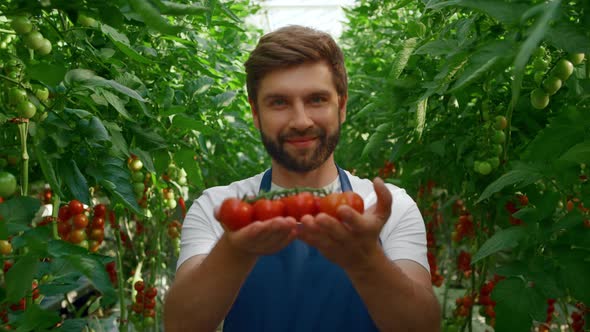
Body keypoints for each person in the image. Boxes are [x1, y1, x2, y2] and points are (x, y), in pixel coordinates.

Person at [164, 25, 441, 331]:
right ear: (256, 114)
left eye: (317, 100)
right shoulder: (218, 208)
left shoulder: (388, 208)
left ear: (342, 106)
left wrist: (366, 261)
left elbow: (423, 326)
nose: (300, 121)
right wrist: (235, 250)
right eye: (279, 102)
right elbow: (180, 325)